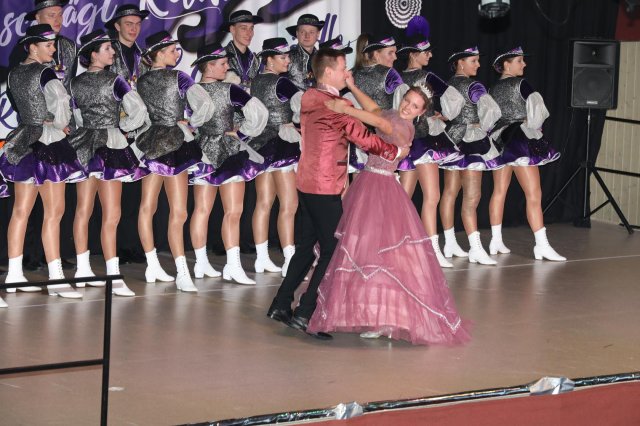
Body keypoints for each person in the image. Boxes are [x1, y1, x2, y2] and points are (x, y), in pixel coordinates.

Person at [307, 87, 470, 345]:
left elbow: (381, 123)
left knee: (378, 252)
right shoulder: (394, 114)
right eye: (407, 100)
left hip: (381, 189)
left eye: (414, 106)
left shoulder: (405, 128)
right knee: (363, 249)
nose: (407, 107)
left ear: (421, 112)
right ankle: (368, 311)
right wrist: (353, 86)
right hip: (367, 184)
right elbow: (375, 110)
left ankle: (383, 318)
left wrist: (346, 110)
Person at [266, 48, 408, 339]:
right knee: (333, 249)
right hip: (325, 184)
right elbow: (365, 138)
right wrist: (394, 151)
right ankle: (305, 312)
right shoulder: (337, 104)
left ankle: (280, 304)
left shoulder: (309, 96)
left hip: (307, 181)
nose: (347, 72)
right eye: (343, 67)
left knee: (307, 246)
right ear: (329, 72)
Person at [0, 24, 84, 300]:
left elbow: (18, 103)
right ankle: (56, 278)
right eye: (48, 45)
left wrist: (38, 118)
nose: (53, 49)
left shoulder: (14, 73)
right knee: (54, 212)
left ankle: (14, 274)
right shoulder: (46, 72)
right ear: (33, 47)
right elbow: (61, 101)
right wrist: (59, 123)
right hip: (48, 141)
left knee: (20, 211)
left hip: (24, 137)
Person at [68, 30, 150, 297]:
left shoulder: (75, 82)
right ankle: (112, 276)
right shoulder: (116, 80)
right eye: (107, 49)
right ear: (93, 54)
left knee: (83, 210)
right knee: (111, 213)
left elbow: (75, 115)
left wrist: (88, 128)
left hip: (84, 143)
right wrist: (123, 127)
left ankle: (83, 271)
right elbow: (139, 110)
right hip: (110, 143)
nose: (113, 52)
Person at [135, 31, 215, 292]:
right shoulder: (179, 77)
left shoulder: (140, 80)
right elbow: (205, 105)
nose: (177, 54)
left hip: (150, 142)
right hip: (174, 142)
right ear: (159, 53)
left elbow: (137, 113)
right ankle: (180, 272)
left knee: (149, 207)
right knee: (177, 211)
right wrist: (191, 123)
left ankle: (154, 264)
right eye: (172, 50)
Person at [189, 42, 268, 285]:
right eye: (223, 64)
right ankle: (230, 266)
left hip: (202, 150)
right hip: (227, 149)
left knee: (203, 210)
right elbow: (259, 112)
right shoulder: (229, 89)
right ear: (209, 66)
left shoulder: (191, 90)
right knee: (232, 211)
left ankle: (203, 264)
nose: (227, 68)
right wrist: (242, 133)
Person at [488, 47, 565, 261]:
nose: (524, 64)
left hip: (500, 140)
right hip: (519, 140)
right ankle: (542, 245)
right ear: (506, 64)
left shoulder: (493, 88)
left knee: (499, 191)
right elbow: (538, 108)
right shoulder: (521, 84)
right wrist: (531, 124)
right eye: (519, 61)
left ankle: (495, 241)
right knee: (533, 195)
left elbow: (488, 116)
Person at [396, 34, 464, 268]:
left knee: (403, 198)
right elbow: (455, 99)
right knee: (432, 196)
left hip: (405, 138)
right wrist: (442, 115)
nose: (431, 55)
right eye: (427, 52)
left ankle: (398, 247)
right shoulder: (428, 77)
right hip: (424, 141)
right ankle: (431, 250)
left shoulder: (396, 77)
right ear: (414, 54)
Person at [439, 47, 502, 265]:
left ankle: (449, 243)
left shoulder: (447, 84)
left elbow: (447, 113)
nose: (478, 65)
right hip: (472, 138)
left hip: (451, 138)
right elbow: (492, 111)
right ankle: (475, 248)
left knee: (450, 192)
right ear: (460, 63)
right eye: (473, 61)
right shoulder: (474, 86)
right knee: (472, 197)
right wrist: (483, 127)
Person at [250, 38, 304, 277]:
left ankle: (261, 258)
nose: (287, 60)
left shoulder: (256, 81)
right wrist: (296, 122)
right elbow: (304, 105)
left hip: (261, 144)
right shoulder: (282, 82)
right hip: (282, 144)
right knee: (289, 204)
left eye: (288, 56)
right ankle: (290, 259)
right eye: (282, 57)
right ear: (269, 60)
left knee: (264, 202)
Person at [105, 4, 150, 264]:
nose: (134, 28)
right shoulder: (107, 53)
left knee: (135, 190)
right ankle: (114, 247)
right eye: (128, 24)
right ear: (117, 26)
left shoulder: (144, 57)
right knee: (113, 193)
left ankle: (130, 244)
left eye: (137, 24)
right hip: (114, 128)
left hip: (139, 129)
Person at [348, 34, 407, 172]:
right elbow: (403, 108)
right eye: (390, 53)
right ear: (376, 54)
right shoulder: (389, 74)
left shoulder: (351, 74)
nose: (395, 57)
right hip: (383, 139)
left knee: (359, 181)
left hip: (356, 137)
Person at [22, 0, 76, 90]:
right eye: (52, 15)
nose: (58, 20)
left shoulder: (70, 46)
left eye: (60, 14)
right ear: (38, 18)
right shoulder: (25, 47)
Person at [220, 10, 263, 89]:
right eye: (243, 28)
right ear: (232, 30)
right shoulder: (221, 57)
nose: (249, 33)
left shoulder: (257, 60)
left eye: (251, 28)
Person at [286, 14, 324, 90]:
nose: (307, 36)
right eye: (303, 32)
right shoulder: (287, 58)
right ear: (297, 34)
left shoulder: (323, 59)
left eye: (311, 32)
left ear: (318, 34)